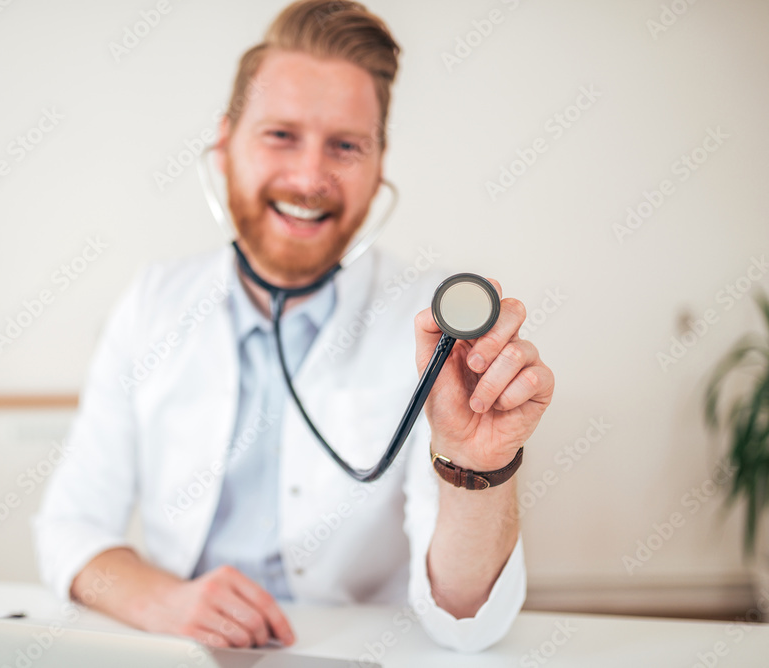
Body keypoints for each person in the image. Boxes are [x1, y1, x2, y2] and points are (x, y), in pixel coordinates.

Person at [33, 0, 554, 653]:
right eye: (280, 134)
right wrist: (163, 602)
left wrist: (477, 467)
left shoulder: (435, 332)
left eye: (345, 146)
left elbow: (468, 620)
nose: (310, 179)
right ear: (224, 146)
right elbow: (68, 528)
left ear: (378, 164)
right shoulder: (152, 304)